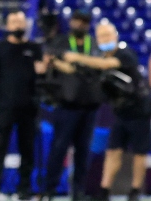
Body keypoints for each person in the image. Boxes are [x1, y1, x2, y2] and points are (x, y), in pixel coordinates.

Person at [59, 22, 150, 201]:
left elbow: (106, 64)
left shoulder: (125, 53)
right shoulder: (98, 57)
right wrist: (57, 61)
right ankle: (104, 190)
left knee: (139, 153)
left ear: (115, 36)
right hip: (120, 112)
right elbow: (77, 69)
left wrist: (77, 57)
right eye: (101, 36)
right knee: (112, 151)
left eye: (108, 35)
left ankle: (135, 191)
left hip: (139, 111)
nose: (105, 39)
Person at [42, 10, 104, 201]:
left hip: (89, 105)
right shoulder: (60, 41)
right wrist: (63, 65)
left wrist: (75, 61)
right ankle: (49, 189)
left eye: (84, 22)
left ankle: (78, 191)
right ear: (71, 22)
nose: (80, 25)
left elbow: (100, 64)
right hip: (66, 105)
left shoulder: (94, 44)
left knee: (83, 151)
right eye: (77, 21)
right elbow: (50, 58)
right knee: (58, 148)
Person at [0, 11, 44, 201]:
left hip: (29, 108)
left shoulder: (34, 48)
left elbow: (41, 78)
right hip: (4, 108)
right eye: (13, 22)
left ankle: (24, 190)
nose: (18, 25)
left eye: (20, 21)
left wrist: (43, 71)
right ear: (7, 25)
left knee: (27, 150)